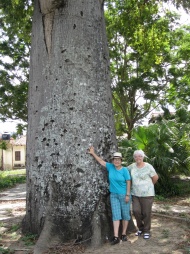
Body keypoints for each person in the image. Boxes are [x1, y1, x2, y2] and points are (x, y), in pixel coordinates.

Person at [88, 146, 131, 245]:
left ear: (121, 161)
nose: (116, 161)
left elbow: (128, 182)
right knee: (116, 215)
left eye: (118, 160)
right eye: (115, 159)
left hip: (124, 195)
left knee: (125, 215)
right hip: (114, 195)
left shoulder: (124, 170)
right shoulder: (110, 167)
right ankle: (116, 237)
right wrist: (93, 153)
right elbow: (101, 161)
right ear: (113, 160)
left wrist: (128, 195)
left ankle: (124, 234)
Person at [127, 150, 159, 240]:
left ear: (143, 157)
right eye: (136, 156)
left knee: (146, 213)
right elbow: (123, 171)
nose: (138, 158)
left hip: (147, 194)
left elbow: (155, 177)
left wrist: (149, 186)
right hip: (135, 194)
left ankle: (147, 230)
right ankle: (140, 228)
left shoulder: (148, 166)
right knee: (136, 211)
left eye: (140, 156)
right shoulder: (132, 167)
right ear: (134, 158)